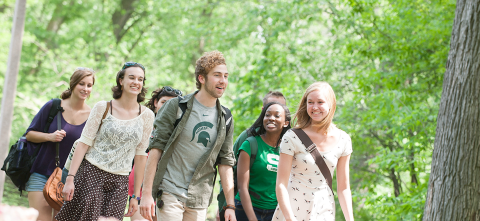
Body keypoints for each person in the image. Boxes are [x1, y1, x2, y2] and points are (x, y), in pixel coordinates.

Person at [140, 51, 237, 221]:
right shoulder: (176, 107)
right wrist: (147, 195)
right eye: (217, 75)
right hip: (170, 191)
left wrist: (229, 205)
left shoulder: (225, 117)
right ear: (201, 78)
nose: (223, 80)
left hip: (199, 199)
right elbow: (155, 150)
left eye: (226, 76)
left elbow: (225, 162)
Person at [56, 62, 155, 221]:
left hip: (119, 182)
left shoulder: (148, 115)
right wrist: (70, 179)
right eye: (131, 77)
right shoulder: (103, 107)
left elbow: (141, 156)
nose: (136, 82)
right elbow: (83, 143)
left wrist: (135, 196)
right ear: (121, 80)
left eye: (140, 79)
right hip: (91, 174)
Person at [273, 82, 354, 221]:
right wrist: (290, 219)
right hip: (292, 211)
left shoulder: (343, 140)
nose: (315, 107)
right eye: (310, 102)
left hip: (324, 210)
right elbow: (281, 185)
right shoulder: (292, 137)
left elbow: (343, 188)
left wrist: (350, 219)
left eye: (320, 102)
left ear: (331, 105)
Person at [24, 68, 95, 221]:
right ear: (73, 84)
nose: (85, 89)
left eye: (89, 85)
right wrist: (50, 136)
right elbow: (29, 135)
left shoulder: (93, 117)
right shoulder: (53, 106)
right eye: (81, 84)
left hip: (69, 181)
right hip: (41, 174)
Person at [217, 91, 287, 221]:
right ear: (263, 111)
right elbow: (228, 168)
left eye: (279, 110)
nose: (273, 117)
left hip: (274, 210)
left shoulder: (289, 144)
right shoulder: (249, 137)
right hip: (244, 206)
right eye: (269, 109)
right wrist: (225, 204)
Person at [128, 86, 182, 221]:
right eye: (164, 102)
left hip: (167, 190)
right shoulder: (141, 123)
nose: (167, 107)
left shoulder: (180, 132)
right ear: (155, 102)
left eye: (172, 103)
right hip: (139, 188)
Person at [235, 101, 291, 221]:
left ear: (286, 123)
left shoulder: (288, 150)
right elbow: (242, 187)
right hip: (246, 210)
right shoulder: (250, 145)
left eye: (277, 115)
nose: (271, 118)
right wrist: (252, 218)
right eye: (267, 115)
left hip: (275, 212)